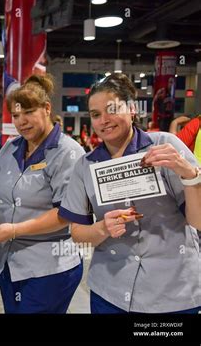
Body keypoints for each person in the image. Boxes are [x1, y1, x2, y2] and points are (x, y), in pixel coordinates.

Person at [58, 74, 201, 313]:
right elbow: (78, 234)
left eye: (112, 109)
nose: (104, 120)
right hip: (110, 292)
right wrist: (102, 228)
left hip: (172, 293)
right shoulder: (85, 165)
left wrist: (189, 174)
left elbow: (198, 221)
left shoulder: (165, 145)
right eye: (95, 114)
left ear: (132, 109)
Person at [0, 74, 85, 313]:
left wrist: (14, 230)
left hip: (48, 267)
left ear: (46, 108)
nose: (21, 121)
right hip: (7, 261)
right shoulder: (11, 147)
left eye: (28, 112)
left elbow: (65, 214)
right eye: (15, 115)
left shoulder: (68, 153)